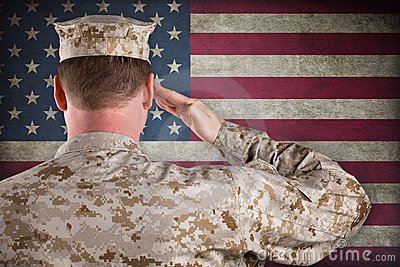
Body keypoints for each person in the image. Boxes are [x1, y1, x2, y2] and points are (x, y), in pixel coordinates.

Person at [0, 15, 371, 266]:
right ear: (148, 92)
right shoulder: (225, 198)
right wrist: (225, 135)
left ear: (59, 94)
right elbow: (346, 202)